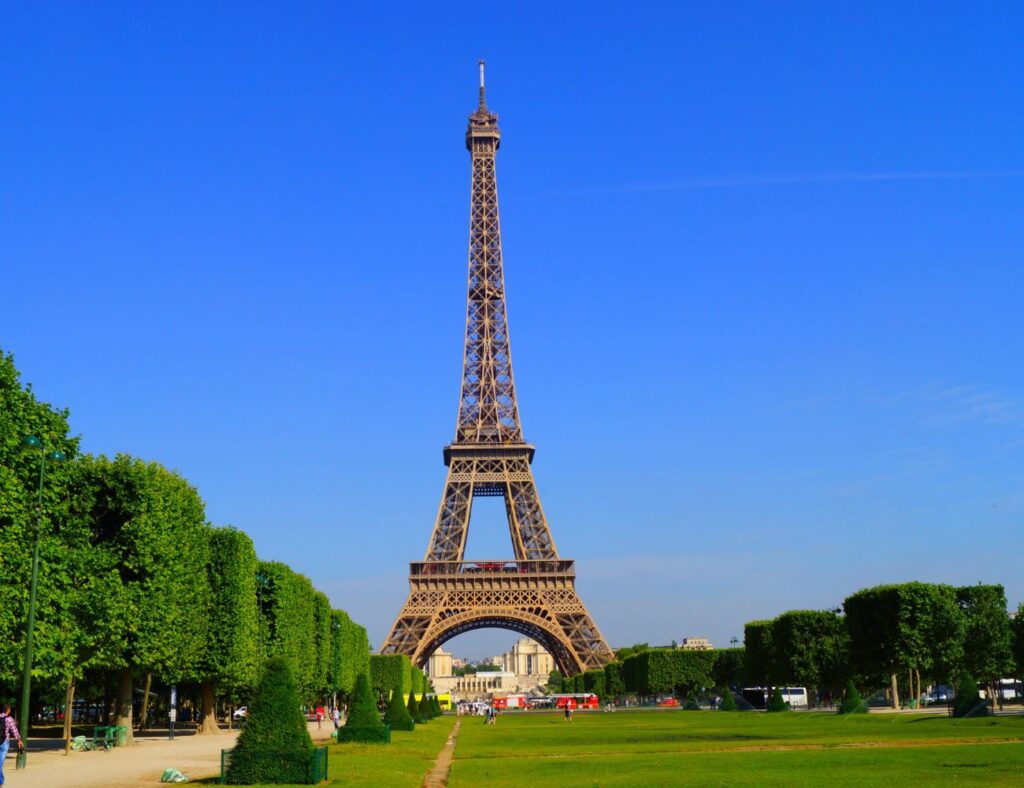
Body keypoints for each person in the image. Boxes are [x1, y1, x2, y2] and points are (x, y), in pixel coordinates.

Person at [1, 704, 25, 786]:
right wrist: (19, 741)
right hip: (4, 742)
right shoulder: (9, 719)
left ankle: (1, 781)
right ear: (8, 710)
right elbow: (14, 731)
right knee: (0, 763)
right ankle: (1, 781)